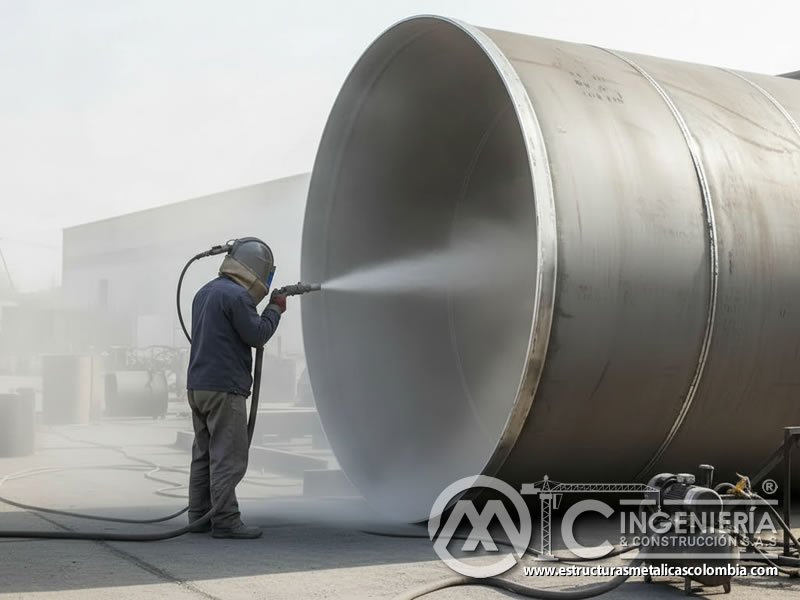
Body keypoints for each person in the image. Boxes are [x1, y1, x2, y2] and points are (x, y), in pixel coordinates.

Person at [185, 237, 286, 539]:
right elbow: (257, 334)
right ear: (256, 270)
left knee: (203, 454)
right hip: (224, 388)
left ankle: (198, 517)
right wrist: (275, 310)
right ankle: (226, 520)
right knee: (227, 456)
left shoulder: (205, 292)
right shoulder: (237, 296)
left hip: (198, 386)